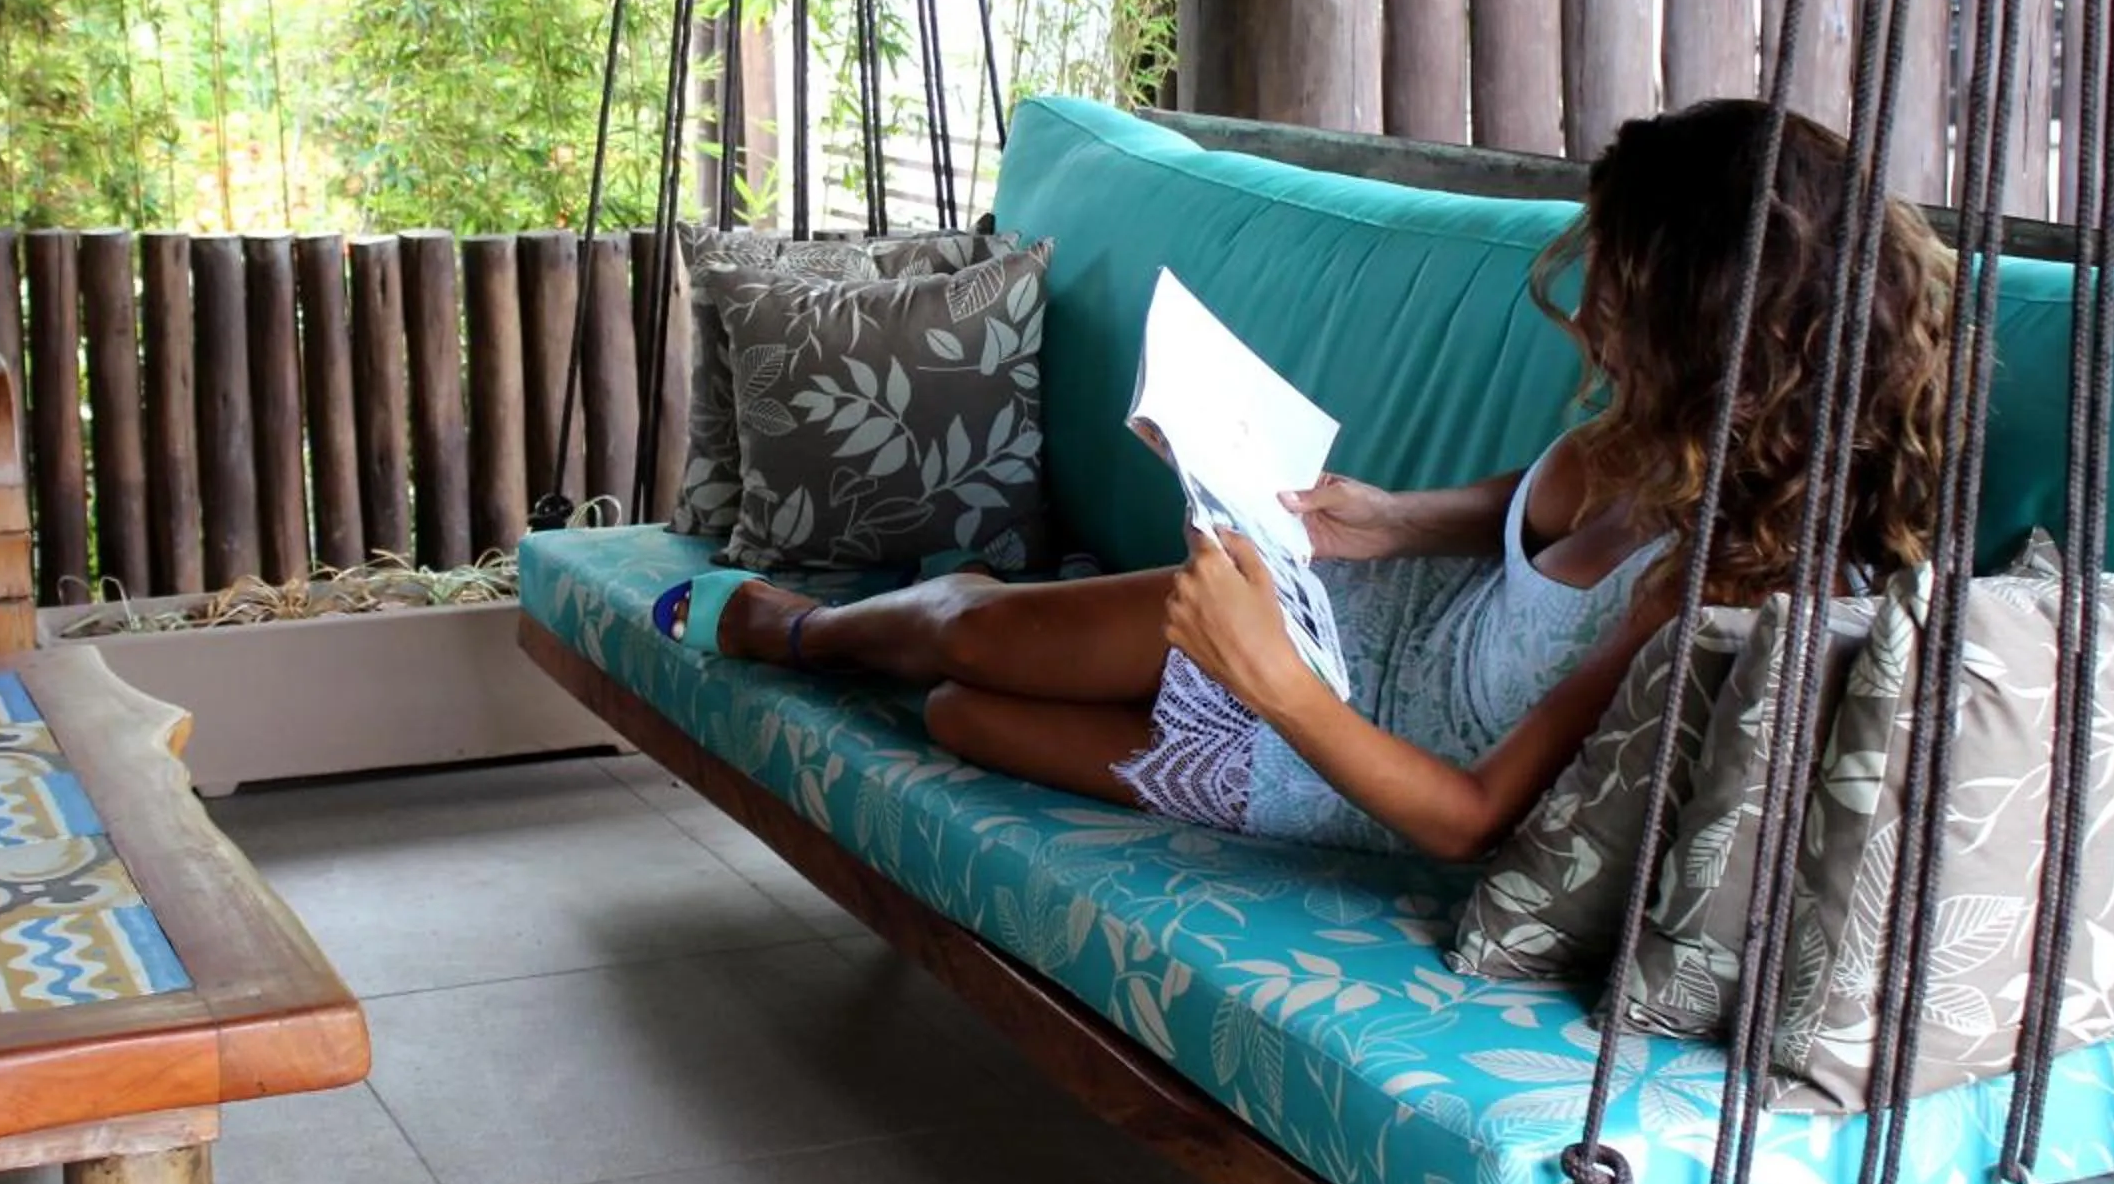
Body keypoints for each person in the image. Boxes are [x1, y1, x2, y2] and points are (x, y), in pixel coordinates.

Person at [658, 100, 1954, 861]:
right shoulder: (1662, 434)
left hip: (1347, 765)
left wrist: (1267, 679)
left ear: (1706, 327)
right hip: (1360, 625)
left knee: (959, 715)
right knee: (973, 634)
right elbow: (1529, 512)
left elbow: (1471, 817)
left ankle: (965, 613)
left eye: (1619, 289)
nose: (1593, 312)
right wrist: (1384, 522)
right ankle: (805, 627)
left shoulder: (1713, 585)